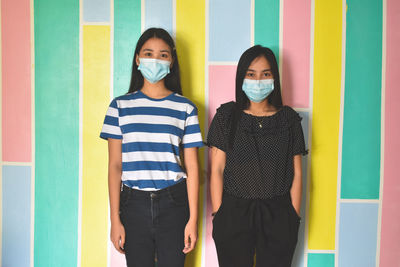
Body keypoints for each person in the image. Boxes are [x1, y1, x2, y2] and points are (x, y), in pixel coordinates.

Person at [100, 28, 203, 267]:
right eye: (148, 53)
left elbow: (193, 168)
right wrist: (115, 219)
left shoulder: (186, 108)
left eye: (163, 55)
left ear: (172, 61)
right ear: (137, 58)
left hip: (175, 203)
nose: (155, 60)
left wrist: (192, 220)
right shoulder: (119, 107)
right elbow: (115, 166)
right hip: (132, 205)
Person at [207, 45, 307, 267]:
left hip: (279, 212)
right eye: (251, 74)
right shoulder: (227, 116)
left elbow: (298, 173)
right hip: (233, 211)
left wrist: (293, 215)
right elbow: (217, 169)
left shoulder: (288, 120)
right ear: (241, 77)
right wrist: (218, 213)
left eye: (266, 74)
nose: (258, 81)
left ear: (275, 78)